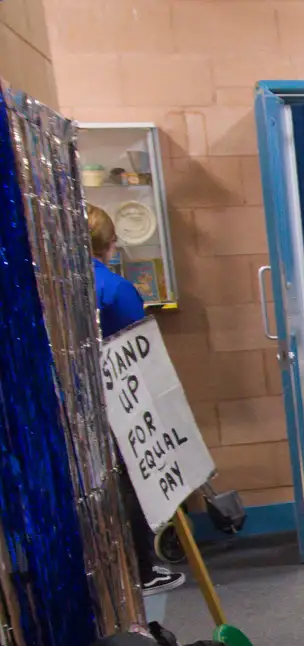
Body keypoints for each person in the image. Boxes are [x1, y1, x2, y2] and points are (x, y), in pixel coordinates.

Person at [87, 204, 185, 596]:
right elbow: (140, 353)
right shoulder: (115, 289)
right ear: (111, 244)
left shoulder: (52, 284)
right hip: (120, 405)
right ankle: (142, 569)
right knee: (133, 483)